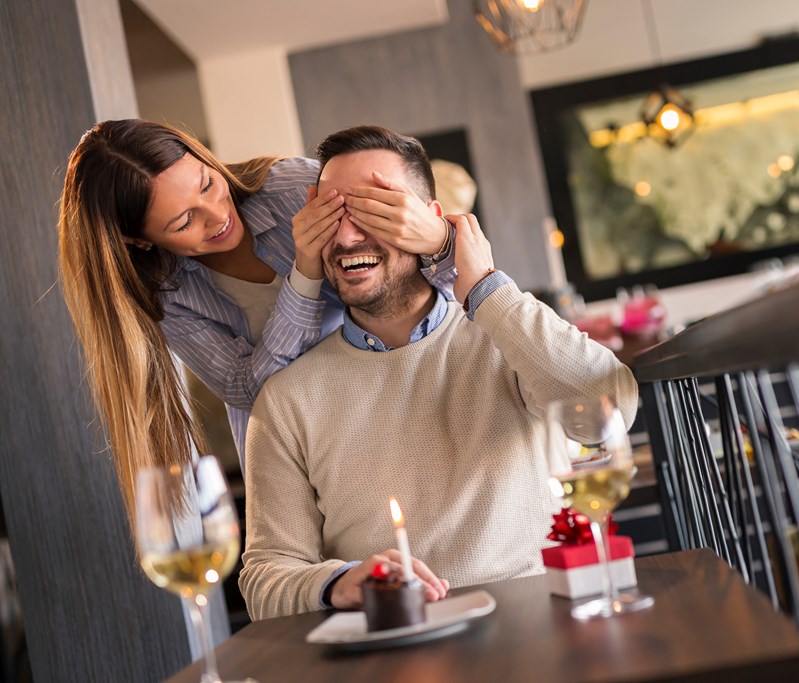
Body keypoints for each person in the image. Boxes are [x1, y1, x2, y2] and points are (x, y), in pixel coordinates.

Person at [239, 126, 638, 620]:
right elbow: (264, 579)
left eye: (373, 209)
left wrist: (485, 286)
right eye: (331, 214)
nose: (345, 236)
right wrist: (338, 582)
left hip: (537, 630)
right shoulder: (285, 400)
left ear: (428, 222)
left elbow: (608, 410)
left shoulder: (507, 339)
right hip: (392, 646)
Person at [57, 119, 456, 517]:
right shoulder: (164, 293)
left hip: (387, 416)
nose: (216, 216)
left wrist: (439, 235)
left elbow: (423, 277)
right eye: (184, 222)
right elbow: (247, 389)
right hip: (296, 465)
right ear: (139, 240)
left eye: (207, 185)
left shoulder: (292, 190)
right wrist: (305, 274)